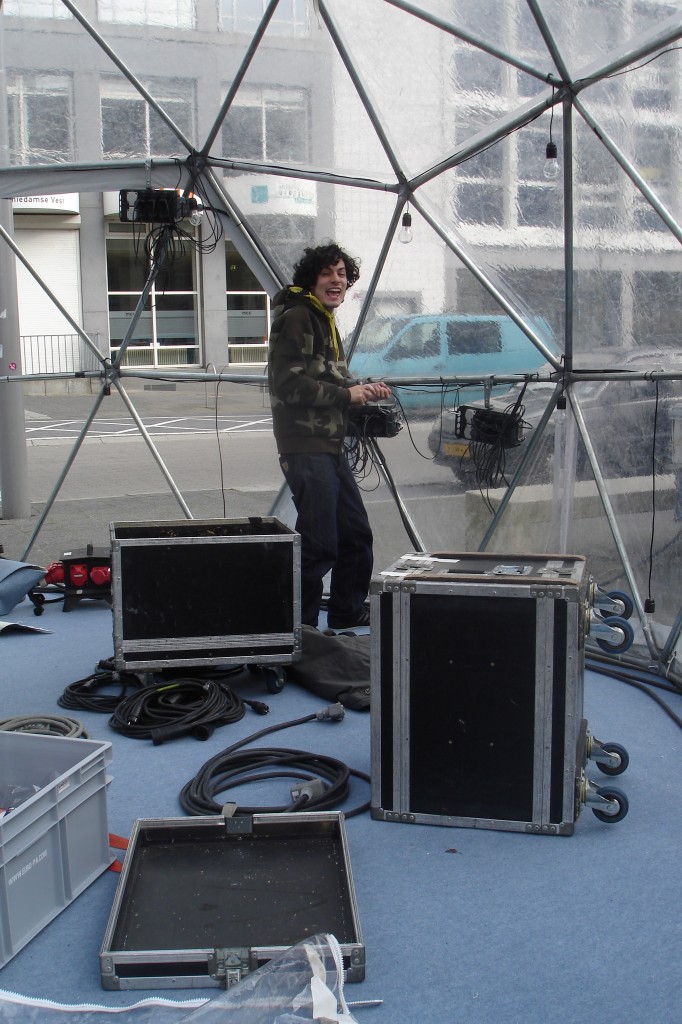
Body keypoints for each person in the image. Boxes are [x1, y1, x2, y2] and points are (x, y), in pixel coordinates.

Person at [267, 242, 391, 630]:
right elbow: (287, 385)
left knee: (355, 535)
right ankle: (298, 629)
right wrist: (345, 395)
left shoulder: (322, 318)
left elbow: (325, 376)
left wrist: (361, 390)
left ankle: (346, 610)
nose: (336, 280)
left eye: (341, 274)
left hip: (328, 444)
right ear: (311, 280)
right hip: (305, 446)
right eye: (327, 274)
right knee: (319, 543)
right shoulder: (299, 317)